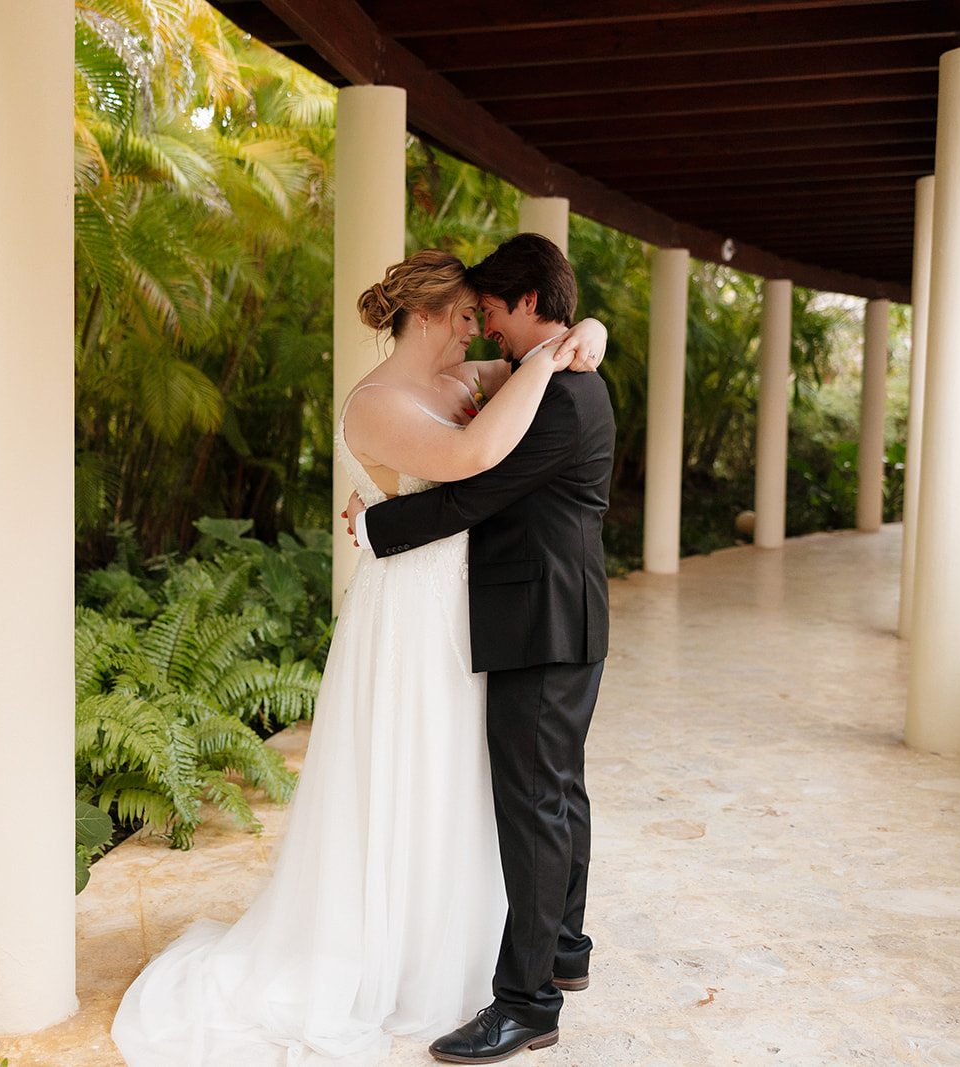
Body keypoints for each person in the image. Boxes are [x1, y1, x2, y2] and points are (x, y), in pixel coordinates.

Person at [110, 248, 606, 1067]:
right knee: (406, 776)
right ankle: (400, 952)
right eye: (470, 317)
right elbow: (471, 463)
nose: (482, 330)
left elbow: (519, 398)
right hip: (409, 617)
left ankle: (482, 954)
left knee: (470, 785)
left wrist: (580, 331)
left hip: (471, 611)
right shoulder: (377, 402)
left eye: (487, 315)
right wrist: (555, 349)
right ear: (434, 316)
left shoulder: (467, 381)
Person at [349, 233, 614, 1064]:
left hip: (541, 619)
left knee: (535, 804)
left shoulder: (560, 395)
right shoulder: (575, 378)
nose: (487, 328)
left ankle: (526, 1002)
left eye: (492, 310)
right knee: (558, 790)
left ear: (531, 302)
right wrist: (586, 332)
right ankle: (565, 947)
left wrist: (376, 524)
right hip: (565, 613)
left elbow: (476, 485)